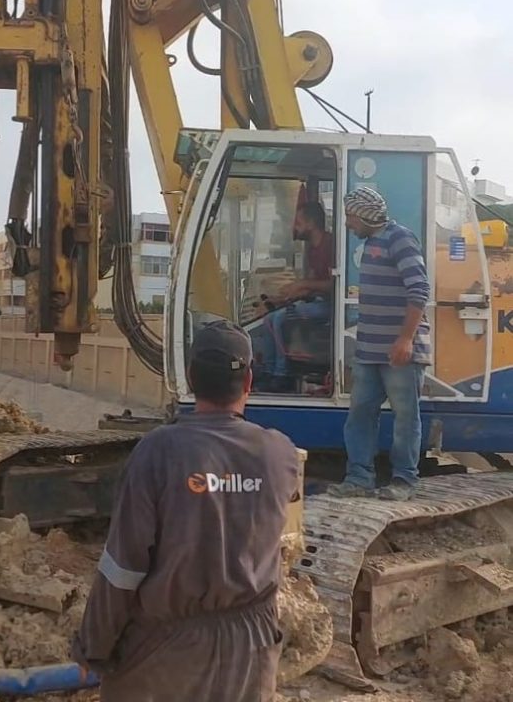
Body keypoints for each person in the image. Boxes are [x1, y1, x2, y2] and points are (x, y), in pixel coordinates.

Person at [72, 320, 300, 702]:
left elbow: (123, 569)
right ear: (248, 382)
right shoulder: (281, 453)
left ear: (191, 378)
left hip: (166, 651)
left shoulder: (157, 452)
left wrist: (92, 648)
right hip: (251, 647)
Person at [329, 186, 430, 502]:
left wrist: (405, 339)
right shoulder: (373, 241)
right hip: (369, 350)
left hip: (399, 351)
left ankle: (404, 480)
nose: (347, 223)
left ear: (364, 215)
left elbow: (419, 291)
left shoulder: (399, 238)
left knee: (405, 417)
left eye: (349, 216)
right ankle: (359, 477)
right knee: (360, 413)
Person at [252, 201, 333, 387]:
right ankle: (268, 370)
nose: (294, 228)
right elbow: (312, 285)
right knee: (268, 319)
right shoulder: (313, 249)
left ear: (311, 224)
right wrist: (284, 297)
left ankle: (282, 375)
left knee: (281, 319)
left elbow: (332, 285)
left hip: (330, 306)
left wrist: (303, 284)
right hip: (316, 302)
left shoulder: (329, 245)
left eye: (298, 223)